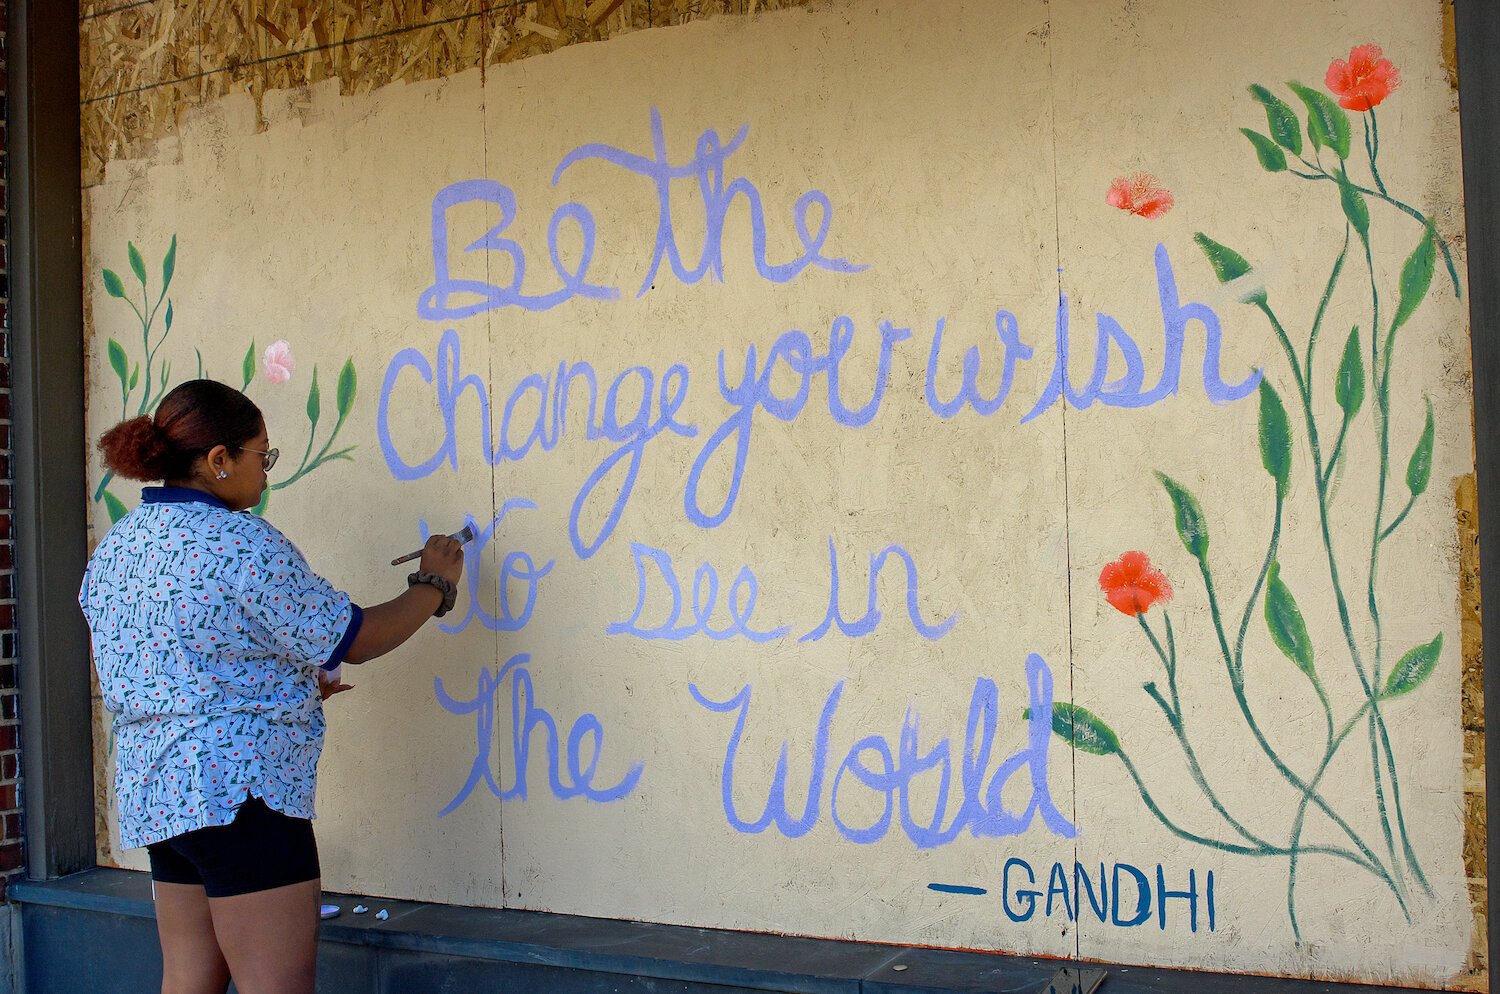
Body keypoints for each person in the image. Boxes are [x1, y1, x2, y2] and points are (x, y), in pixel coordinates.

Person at [78, 379, 463, 994]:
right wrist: (432, 585)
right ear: (218, 459)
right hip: (242, 795)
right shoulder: (243, 544)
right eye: (263, 455)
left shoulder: (119, 547)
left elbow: (184, 661)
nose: (266, 473)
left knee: (186, 980)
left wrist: (289, 686)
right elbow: (354, 639)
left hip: (161, 791)